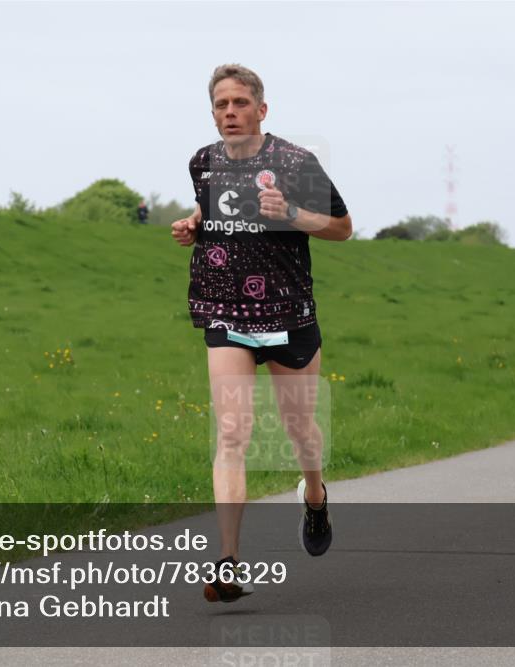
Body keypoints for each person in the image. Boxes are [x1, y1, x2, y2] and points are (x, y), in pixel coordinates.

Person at [170, 64, 352, 603]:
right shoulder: (203, 162)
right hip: (224, 311)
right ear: (213, 113)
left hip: (288, 313)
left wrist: (292, 213)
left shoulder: (295, 162)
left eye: (240, 103)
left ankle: (315, 498)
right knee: (232, 433)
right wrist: (194, 223)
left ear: (262, 109)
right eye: (221, 105)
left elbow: (342, 228)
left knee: (301, 432)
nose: (231, 113)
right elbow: (213, 204)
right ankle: (228, 562)